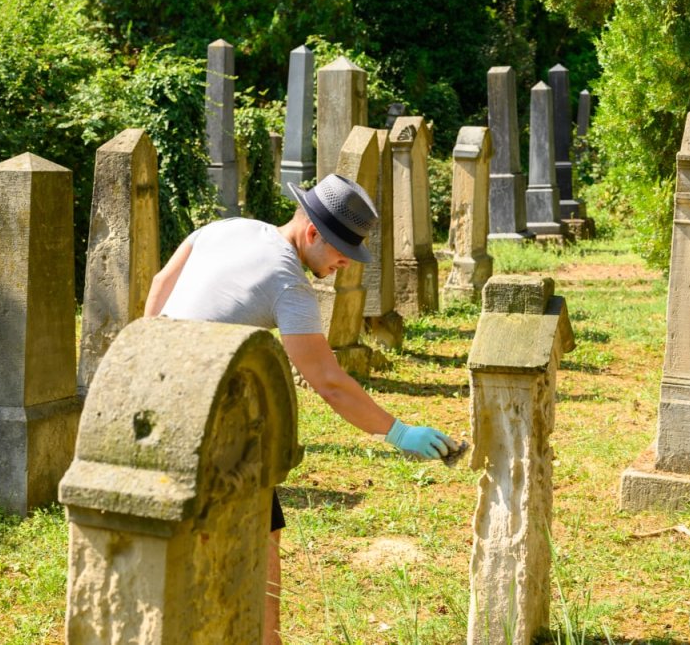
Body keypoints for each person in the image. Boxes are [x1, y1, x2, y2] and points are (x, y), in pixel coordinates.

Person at [143, 172, 458, 642]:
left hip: (146, 392)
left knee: (236, 528)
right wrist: (398, 433)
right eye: (340, 254)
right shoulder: (289, 284)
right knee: (256, 532)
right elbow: (328, 382)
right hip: (200, 414)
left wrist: (149, 357)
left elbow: (161, 281)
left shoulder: (228, 228)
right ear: (312, 233)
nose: (344, 267)